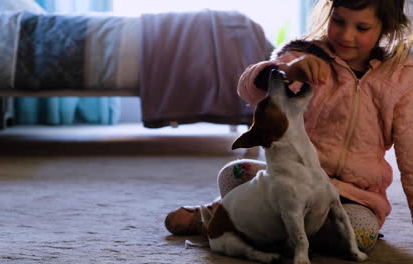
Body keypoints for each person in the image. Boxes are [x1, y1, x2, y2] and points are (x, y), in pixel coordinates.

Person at [164, 0, 413, 253]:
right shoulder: (304, 54)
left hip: (355, 196)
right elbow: (248, 88)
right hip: (290, 180)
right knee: (234, 173)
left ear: (387, 27)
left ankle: (247, 225)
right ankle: (222, 218)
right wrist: (286, 71)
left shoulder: (401, 77)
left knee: (360, 234)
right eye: (338, 21)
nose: (346, 35)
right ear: (329, 12)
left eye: (362, 28)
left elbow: (410, 157)